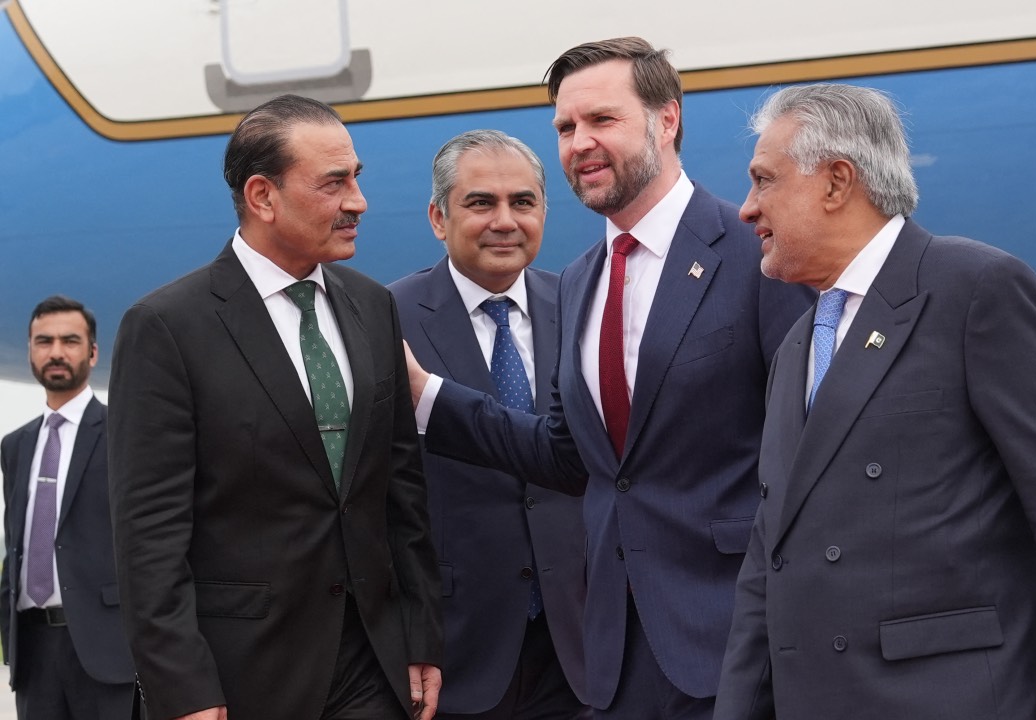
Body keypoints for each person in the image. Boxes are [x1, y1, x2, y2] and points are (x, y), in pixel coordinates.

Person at [412, 37, 814, 720]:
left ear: (667, 120)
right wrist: (430, 398)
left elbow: (812, 452)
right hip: (613, 659)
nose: (580, 143)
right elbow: (572, 458)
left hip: (737, 651)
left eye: (603, 120)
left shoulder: (756, 254)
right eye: (566, 128)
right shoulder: (579, 283)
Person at [714, 82, 1036, 720]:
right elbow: (769, 553)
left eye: (763, 180)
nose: (746, 208)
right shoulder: (798, 344)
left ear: (836, 183)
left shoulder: (976, 288)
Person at [108, 94, 443, 720]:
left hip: (371, 665)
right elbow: (148, 535)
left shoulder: (373, 306)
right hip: (242, 677)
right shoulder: (166, 326)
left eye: (357, 179)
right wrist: (183, 688)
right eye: (334, 184)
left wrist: (420, 634)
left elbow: (401, 491)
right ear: (263, 196)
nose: (358, 203)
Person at [388, 130, 589, 720]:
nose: (505, 220)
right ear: (437, 217)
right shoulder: (386, 319)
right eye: (481, 203)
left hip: (577, 648)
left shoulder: (583, 306)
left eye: (523, 202)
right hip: (454, 652)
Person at [1, 296, 134, 719]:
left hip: (106, 651)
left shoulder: (123, 435)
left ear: (92, 353)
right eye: (44, 341)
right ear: (31, 351)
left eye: (70, 341)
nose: (56, 352)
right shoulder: (15, 446)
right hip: (34, 654)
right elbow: (17, 544)